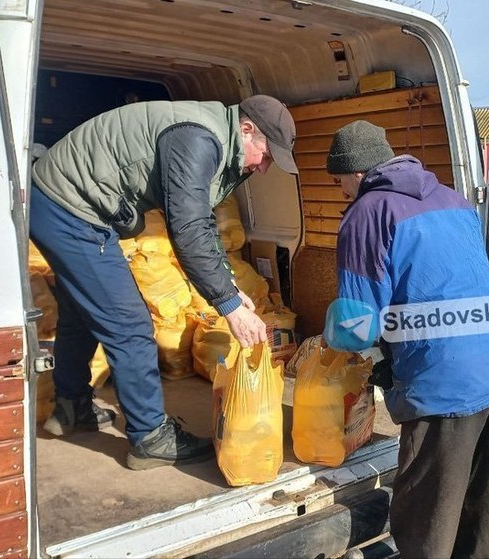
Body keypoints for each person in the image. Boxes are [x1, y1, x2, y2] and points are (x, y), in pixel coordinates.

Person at [30, 95, 298, 471]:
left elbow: (202, 222)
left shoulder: (210, 135)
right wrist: (230, 307)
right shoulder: (198, 139)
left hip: (61, 202)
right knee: (131, 323)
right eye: (267, 156)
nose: (265, 168)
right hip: (69, 207)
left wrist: (231, 288)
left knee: (83, 310)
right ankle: (149, 436)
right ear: (247, 129)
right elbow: (187, 228)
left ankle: (71, 407)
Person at [322, 120, 489, 557]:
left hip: (445, 384)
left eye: (338, 181)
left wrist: (329, 344)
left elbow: (357, 324)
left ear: (356, 172)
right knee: (476, 510)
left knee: (426, 518)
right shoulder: (453, 199)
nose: (340, 191)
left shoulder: (367, 212)